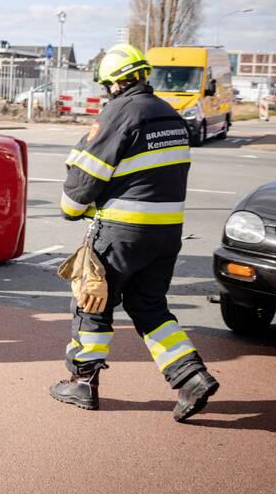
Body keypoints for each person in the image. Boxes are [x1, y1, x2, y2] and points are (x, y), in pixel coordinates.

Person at [52, 43, 219, 422]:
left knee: (91, 301)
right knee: (149, 307)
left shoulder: (120, 112)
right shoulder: (170, 114)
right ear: (143, 75)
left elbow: (84, 177)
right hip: (166, 233)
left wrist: (71, 210)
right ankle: (191, 376)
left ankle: (82, 383)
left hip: (122, 231)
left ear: (113, 83)